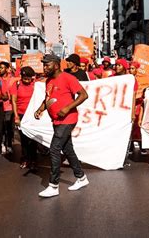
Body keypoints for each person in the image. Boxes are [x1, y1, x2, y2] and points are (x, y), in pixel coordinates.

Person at [35, 54, 89, 198]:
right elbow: (48, 98)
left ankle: (53, 185)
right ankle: (81, 178)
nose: (45, 67)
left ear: (57, 65)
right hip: (56, 121)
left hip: (68, 119)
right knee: (67, 149)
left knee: (54, 149)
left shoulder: (68, 78)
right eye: (44, 65)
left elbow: (83, 95)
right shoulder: (49, 81)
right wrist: (40, 109)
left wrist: (67, 108)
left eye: (47, 65)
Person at [11, 66, 37, 170]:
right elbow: (14, 101)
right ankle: (25, 159)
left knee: (34, 139)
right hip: (21, 115)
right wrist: (16, 116)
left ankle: (34, 160)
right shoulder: (16, 84)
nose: (27, 80)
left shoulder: (36, 85)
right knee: (24, 139)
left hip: (33, 115)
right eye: (24, 77)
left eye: (29, 78)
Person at [0, 60, 14, 155]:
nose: (0, 69)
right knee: (1, 128)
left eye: (2, 67)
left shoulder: (11, 79)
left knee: (9, 128)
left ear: (7, 69)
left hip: (9, 108)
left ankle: (9, 144)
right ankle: (2, 144)